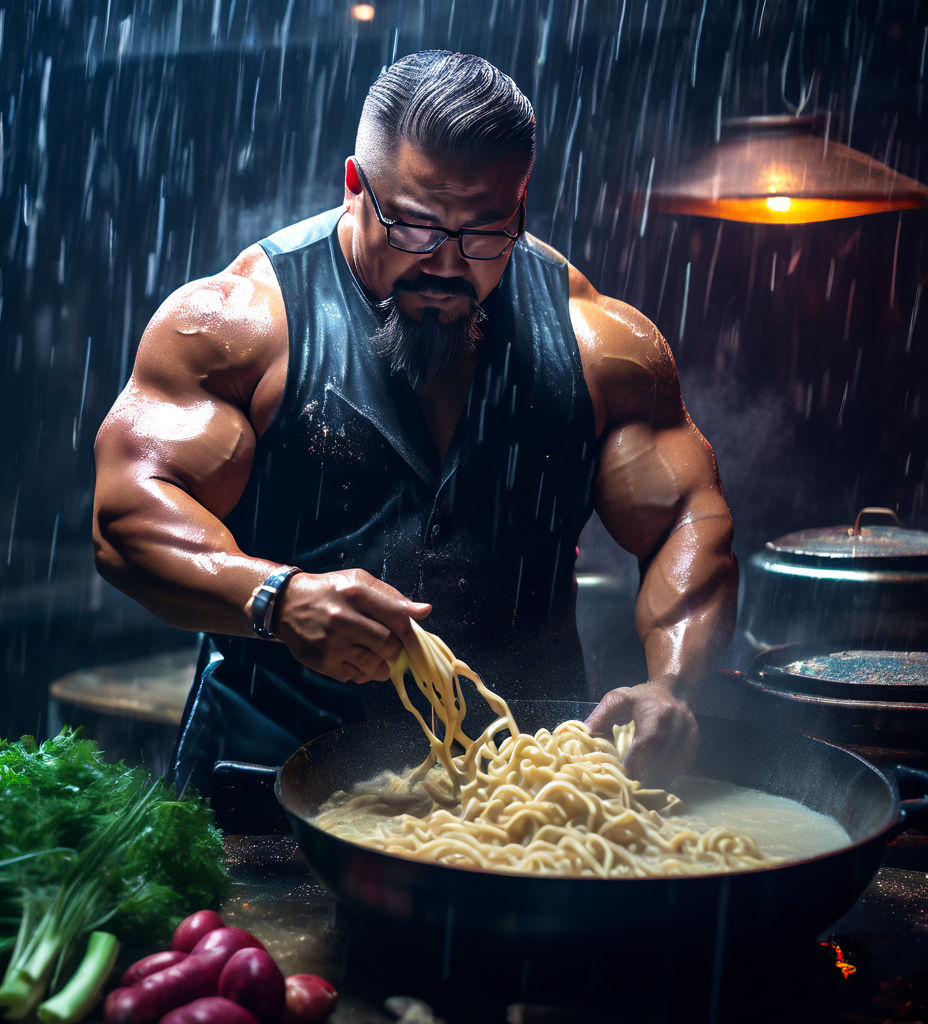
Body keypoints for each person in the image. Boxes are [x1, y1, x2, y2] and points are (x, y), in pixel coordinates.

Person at [92, 50, 738, 801]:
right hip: (268, 788)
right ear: (354, 188)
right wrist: (275, 596)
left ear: (520, 209)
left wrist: (675, 684)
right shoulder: (235, 325)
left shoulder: (601, 344)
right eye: (415, 226)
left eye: (483, 232)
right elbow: (126, 518)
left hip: (528, 794)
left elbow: (687, 518)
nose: (444, 263)